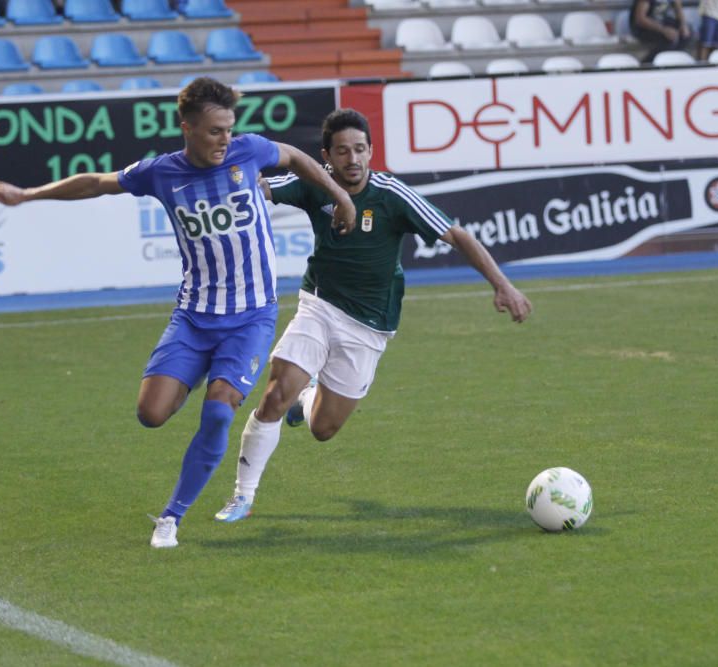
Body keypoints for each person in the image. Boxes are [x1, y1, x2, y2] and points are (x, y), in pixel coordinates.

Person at [0, 78, 356, 548]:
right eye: (215, 131)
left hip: (250, 318)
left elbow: (297, 158)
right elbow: (96, 183)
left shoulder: (250, 152)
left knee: (218, 414)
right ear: (188, 128)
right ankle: (199, 374)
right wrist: (28, 194)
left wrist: (339, 197)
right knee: (151, 414)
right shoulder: (161, 173)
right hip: (195, 317)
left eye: (229, 129)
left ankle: (171, 517)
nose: (225, 139)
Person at [213, 108, 532, 523]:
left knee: (323, 429)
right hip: (319, 305)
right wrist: (237, 176)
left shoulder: (391, 194)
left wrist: (502, 285)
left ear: (371, 151)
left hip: (369, 326)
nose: (353, 159)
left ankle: (307, 398)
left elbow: (455, 235)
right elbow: (261, 188)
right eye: (342, 151)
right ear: (326, 156)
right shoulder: (314, 184)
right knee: (274, 393)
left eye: (360, 149)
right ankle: (243, 496)